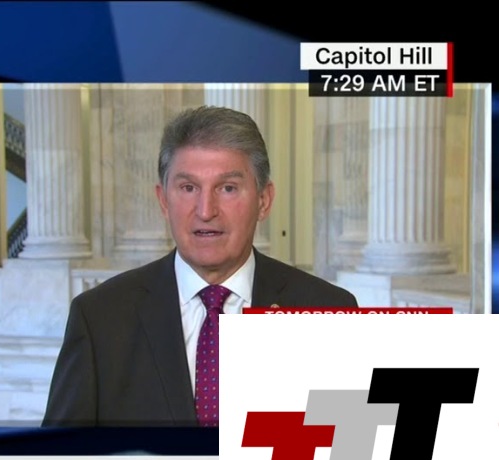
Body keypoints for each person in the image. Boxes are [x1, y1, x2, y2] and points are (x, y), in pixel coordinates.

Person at [42, 106, 357, 427]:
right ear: (163, 200)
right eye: (188, 188)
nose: (206, 211)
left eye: (228, 188)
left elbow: (352, 452)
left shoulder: (329, 311)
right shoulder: (100, 319)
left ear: (263, 200)